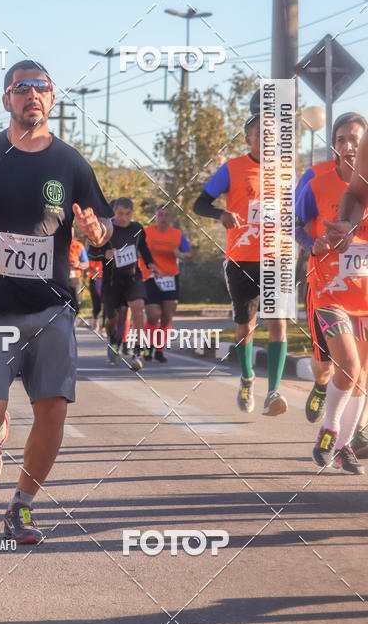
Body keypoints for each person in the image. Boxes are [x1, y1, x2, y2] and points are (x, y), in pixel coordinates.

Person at [0, 60, 114, 544]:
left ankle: (22, 506)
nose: (31, 94)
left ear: (51, 98)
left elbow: (101, 225)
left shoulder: (71, 163)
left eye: (41, 87)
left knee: (53, 409)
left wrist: (96, 231)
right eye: (21, 88)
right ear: (6, 99)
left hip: (52, 307)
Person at [193, 113, 288, 416]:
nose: (268, 139)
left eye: (272, 134)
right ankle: (247, 378)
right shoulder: (231, 169)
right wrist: (220, 214)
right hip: (241, 259)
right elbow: (199, 203)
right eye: (261, 134)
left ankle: (273, 392)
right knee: (245, 326)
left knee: (277, 323)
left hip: (275, 258)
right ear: (248, 139)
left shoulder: (286, 171)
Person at [323, 123, 368, 464]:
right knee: (351, 367)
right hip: (334, 290)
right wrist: (348, 226)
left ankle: (347, 440)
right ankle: (338, 435)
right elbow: (357, 193)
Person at [295, 152, 338, 422]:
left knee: (359, 363)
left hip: (362, 284)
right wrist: (312, 245)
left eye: (356, 140)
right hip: (324, 281)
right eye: (342, 139)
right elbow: (294, 223)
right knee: (325, 364)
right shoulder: (314, 177)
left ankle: (354, 427)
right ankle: (321, 385)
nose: (350, 146)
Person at [101, 197, 160, 369]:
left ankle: (137, 350)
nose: (124, 218)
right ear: (114, 213)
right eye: (120, 214)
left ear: (132, 213)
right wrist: (104, 254)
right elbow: (93, 251)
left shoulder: (137, 229)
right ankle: (113, 339)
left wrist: (151, 265)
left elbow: (143, 249)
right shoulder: (107, 229)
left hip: (132, 278)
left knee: (138, 308)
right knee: (112, 318)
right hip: (112, 281)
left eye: (127, 214)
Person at [140, 206, 193, 362]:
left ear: (170, 218)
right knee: (153, 315)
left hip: (170, 278)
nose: (163, 218)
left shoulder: (177, 235)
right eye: (160, 214)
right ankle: (148, 345)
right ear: (155, 217)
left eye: (167, 215)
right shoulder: (146, 232)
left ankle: (159, 350)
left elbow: (189, 254)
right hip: (150, 277)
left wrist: (180, 254)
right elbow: (136, 248)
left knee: (167, 316)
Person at [68, 228, 89, 313]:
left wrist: (78, 264)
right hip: (60, 279)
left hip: (74, 279)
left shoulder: (78, 245)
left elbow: (86, 264)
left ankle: (73, 319)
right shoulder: (56, 244)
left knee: (76, 304)